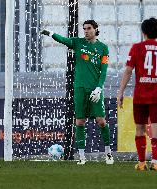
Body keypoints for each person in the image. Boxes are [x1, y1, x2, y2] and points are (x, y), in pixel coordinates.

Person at [41, 20, 114, 165]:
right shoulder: (77, 43)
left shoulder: (103, 48)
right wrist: (50, 33)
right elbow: (63, 40)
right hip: (79, 88)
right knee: (80, 121)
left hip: (95, 89)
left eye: (89, 28)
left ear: (95, 29)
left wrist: (99, 87)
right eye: (84, 29)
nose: (86, 31)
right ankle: (82, 157)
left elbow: (103, 70)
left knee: (101, 121)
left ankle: (109, 154)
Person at [117, 17, 157, 171]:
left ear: (143, 32)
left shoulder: (136, 48)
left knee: (140, 128)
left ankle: (142, 162)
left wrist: (121, 91)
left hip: (140, 95)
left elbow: (128, 71)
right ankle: (155, 162)